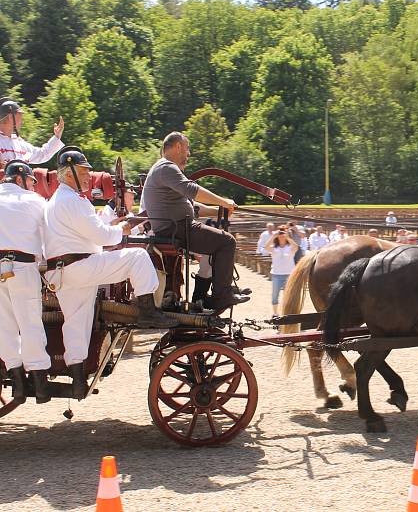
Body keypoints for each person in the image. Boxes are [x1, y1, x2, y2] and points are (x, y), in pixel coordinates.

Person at [43, 147, 177, 398]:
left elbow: (90, 230)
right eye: (84, 172)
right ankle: (148, 311)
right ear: (69, 172)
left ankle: (78, 378)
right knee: (137, 257)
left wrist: (114, 226)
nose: (88, 177)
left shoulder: (60, 200)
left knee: (76, 322)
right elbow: (102, 236)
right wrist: (124, 228)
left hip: (63, 272)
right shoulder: (72, 200)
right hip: (79, 267)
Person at [141, 132, 249, 311]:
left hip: (177, 228)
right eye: (187, 148)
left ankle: (214, 293)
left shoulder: (163, 169)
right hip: (177, 229)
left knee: (221, 242)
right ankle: (221, 296)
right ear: (177, 147)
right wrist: (223, 201)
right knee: (227, 242)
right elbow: (192, 189)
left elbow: (192, 205)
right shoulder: (166, 168)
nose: (188, 154)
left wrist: (221, 210)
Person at [0, 160, 51, 403]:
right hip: (22, 266)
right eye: (31, 181)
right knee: (30, 322)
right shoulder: (34, 201)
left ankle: (18, 384)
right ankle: (40, 383)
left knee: (4, 326)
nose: (33, 186)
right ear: (20, 179)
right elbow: (48, 239)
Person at [0, 97, 64, 166]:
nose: (22, 122)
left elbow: (42, 154)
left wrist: (57, 136)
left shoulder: (20, 143)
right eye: (20, 117)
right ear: (10, 117)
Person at [266, 227, 299, 316]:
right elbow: (266, 247)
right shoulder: (274, 248)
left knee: (287, 296)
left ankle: (286, 313)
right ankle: (275, 313)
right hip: (276, 274)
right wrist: (273, 236)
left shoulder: (290, 247)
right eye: (280, 235)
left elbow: (296, 247)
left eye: (283, 235)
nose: (281, 236)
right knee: (275, 296)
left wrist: (288, 237)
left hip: (288, 274)